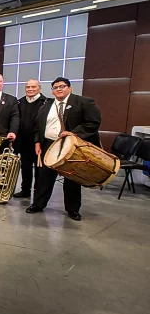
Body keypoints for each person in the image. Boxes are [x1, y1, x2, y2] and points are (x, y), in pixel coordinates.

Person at [27, 78, 101, 221]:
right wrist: (37, 142)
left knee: (71, 176)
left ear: (70, 88)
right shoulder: (46, 105)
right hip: (49, 144)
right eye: (55, 87)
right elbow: (38, 126)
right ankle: (38, 204)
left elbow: (93, 122)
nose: (59, 89)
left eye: (62, 86)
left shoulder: (83, 102)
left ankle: (73, 209)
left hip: (71, 145)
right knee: (44, 176)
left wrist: (74, 133)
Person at [14, 79, 49, 199]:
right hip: (24, 142)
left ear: (39, 88)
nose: (30, 89)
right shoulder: (20, 102)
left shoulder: (46, 103)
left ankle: (38, 193)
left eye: (33, 87)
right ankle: (25, 190)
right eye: (28, 87)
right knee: (25, 167)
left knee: (39, 169)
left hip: (39, 142)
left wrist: (38, 140)